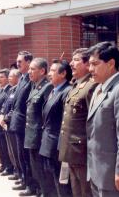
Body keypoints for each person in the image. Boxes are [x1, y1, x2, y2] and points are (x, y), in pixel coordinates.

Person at [86, 42, 119, 197]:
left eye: (95, 64)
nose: (90, 69)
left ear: (111, 63)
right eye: (89, 64)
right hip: (96, 170)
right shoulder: (98, 89)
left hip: (112, 174)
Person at [58, 48, 97, 197]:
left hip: (82, 151)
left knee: (85, 191)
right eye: (71, 60)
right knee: (76, 191)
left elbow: (92, 122)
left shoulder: (91, 86)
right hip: (71, 150)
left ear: (87, 64)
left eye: (76, 60)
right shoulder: (76, 85)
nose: (71, 64)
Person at [39, 59, 72, 197]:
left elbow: (66, 122)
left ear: (63, 73)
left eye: (53, 71)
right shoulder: (54, 90)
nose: (49, 74)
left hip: (57, 146)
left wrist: (61, 147)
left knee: (62, 183)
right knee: (51, 180)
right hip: (48, 143)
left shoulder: (67, 91)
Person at [24, 57, 53, 196]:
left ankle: (45, 193)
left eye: (32, 69)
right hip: (31, 135)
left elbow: (48, 115)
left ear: (42, 71)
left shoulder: (47, 87)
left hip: (39, 136)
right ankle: (40, 191)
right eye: (29, 69)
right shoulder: (35, 86)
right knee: (35, 168)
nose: (29, 72)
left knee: (42, 170)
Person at [8, 51, 33, 194]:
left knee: (25, 156)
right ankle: (24, 180)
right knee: (20, 156)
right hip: (17, 122)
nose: (17, 64)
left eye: (20, 62)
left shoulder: (30, 79)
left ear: (28, 62)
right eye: (17, 61)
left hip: (24, 123)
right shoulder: (23, 79)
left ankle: (30, 185)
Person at [0, 69, 22, 181]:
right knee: (11, 151)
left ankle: (20, 174)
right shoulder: (11, 90)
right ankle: (16, 172)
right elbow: (5, 105)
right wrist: (2, 115)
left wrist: (6, 117)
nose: (9, 78)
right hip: (6, 124)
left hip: (13, 124)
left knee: (16, 152)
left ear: (18, 78)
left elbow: (15, 108)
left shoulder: (19, 90)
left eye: (11, 76)